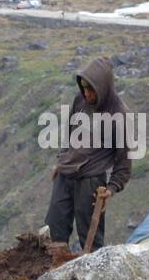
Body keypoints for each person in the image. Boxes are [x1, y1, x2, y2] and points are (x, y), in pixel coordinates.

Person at [45, 57, 132, 251]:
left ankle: (89, 279)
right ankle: (55, 272)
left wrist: (112, 188)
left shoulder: (119, 114)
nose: (86, 92)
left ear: (103, 86)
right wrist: (61, 161)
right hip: (66, 175)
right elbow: (69, 135)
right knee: (54, 229)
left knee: (90, 242)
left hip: (91, 181)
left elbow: (124, 162)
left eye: (91, 88)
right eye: (83, 86)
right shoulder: (80, 100)